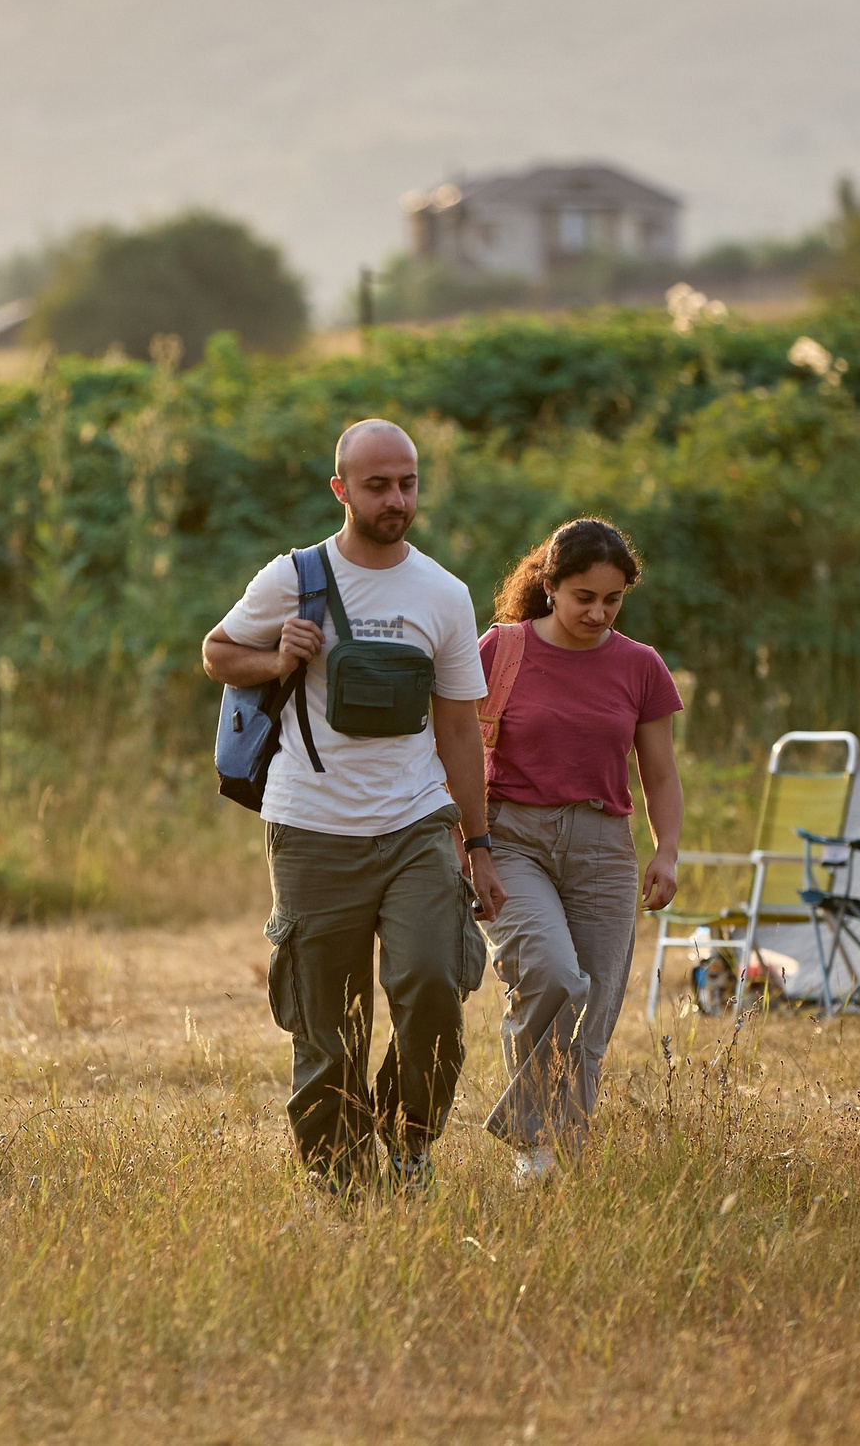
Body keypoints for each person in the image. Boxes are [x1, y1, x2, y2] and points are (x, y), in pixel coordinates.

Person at [202, 419, 500, 1195]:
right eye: (377, 485)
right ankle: (341, 1179)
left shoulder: (444, 593)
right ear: (342, 490)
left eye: (406, 482)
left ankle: (409, 1144)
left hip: (417, 825)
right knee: (328, 1026)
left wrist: (481, 842)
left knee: (434, 983)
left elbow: (462, 728)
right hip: (311, 829)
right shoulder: (294, 577)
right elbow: (216, 652)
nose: (396, 498)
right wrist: (278, 657)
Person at [476, 517, 684, 1188]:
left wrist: (666, 851)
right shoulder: (499, 650)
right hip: (512, 835)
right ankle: (531, 1138)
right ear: (550, 586)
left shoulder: (640, 666)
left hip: (602, 844)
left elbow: (659, 773)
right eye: (583, 597)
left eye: (612, 599)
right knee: (553, 977)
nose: (597, 612)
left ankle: (560, 1156)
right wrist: (464, 844)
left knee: (595, 1010)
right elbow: (451, 747)